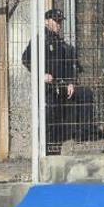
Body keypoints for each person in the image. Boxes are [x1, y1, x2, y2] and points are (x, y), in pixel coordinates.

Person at [22, 9, 79, 155]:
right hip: (46, 90)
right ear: (47, 21)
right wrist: (41, 74)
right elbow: (26, 59)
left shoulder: (59, 42)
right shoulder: (40, 39)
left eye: (60, 21)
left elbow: (66, 64)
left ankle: (54, 156)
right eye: (56, 21)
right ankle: (45, 156)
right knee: (48, 123)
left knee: (57, 124)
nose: (58, 24)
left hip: (59, 89)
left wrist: (70, 82)